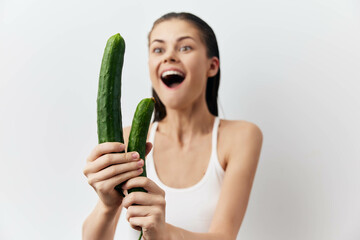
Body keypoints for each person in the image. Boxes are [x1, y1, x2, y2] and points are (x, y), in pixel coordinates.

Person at [82, 12, 263, 240]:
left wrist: (163, 232)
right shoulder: (125, 139)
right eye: (158, 49)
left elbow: (224, 236)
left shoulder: (241, 136)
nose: (169, 56)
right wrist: (108, 204)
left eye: (185, 47)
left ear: (212, 65)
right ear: (150, 66)